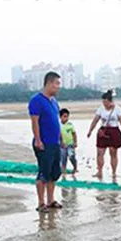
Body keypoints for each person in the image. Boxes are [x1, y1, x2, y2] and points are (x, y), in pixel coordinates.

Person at [28, 71, 63, 212]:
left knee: (55, 172)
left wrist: (61, 138)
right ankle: (41, 202)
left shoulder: (54, 102)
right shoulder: (37, 100)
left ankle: (51, 199)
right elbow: (35, 122)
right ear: (49, 83)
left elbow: (57, 122)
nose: (58, 87)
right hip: (43, 142)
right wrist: (38, 140)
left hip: (55, 143)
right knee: (44, 172)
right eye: (56, 83)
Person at [86, 90, 121, 181]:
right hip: (103, 131)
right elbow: (95, 120)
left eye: (106, 102)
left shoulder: (118, 109)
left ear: (110, 101)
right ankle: (99, 171)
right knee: (100, 153)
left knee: (113, 153)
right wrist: (90, 130)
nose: (104, 104)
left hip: (114, 131)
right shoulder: (100, 109)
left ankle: (114, 172)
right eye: (103, 102)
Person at [59, 108, 78, 176]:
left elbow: (74, 134)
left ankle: (75, 167)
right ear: (60, 117)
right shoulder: (58, 125)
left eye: (67, 116)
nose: (66, 118)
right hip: (62, 145)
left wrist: (75, 142)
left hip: (70, 144)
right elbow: (58, 135)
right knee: (63, 158)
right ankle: (63, 171)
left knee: (71, 156)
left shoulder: (70, 124)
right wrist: (61, 143)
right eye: (64, 116)